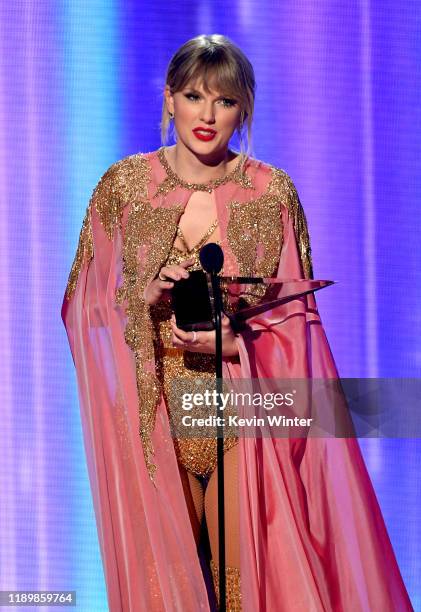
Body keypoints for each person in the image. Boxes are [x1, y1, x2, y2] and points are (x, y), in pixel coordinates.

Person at [62, 34, 413, 612]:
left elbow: (300, 323)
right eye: (194, 96)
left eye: (224, 101)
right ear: (169, 99)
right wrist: (141, 296)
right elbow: (82, 306)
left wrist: (237, 343)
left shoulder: (271, 192)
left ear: (244, 109)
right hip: (155, 423)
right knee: (170, 590)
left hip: (243, 417)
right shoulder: (123, 188)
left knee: (245, 587)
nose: (207, 114)